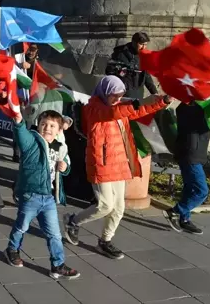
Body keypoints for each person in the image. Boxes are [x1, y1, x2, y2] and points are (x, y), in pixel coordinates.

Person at [63, 76, 170, 259]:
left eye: (120, 95)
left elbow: (138, 110)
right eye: (114, 95)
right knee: (105, 205)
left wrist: (162, 101)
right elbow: (112, 113)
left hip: (119, 162)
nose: (118, 99)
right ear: (105, 92)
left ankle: (105, 241)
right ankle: (73, 221)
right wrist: (138, 102)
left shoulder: (118, 106)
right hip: (101, 162)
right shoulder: (94, 108)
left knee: (119, 207)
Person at [6, 109, 79, 279]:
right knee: (22, 226)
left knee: (54, 234)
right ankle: (12, 249)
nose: (47, 128)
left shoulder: (59, 147)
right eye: (44, 124)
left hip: (48, 198)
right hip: (30, 195)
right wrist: (18, 121)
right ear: (38, 125)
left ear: (59, 130)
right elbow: (21, 133)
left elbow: (66, 163)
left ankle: (57, 265)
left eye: (52, 125)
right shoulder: (31, 141)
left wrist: (65, 167)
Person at [162, 101, 210, 235]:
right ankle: (176, 211)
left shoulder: (197, 107)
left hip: (195, 154)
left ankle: (185, 219)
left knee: (190, 189)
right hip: (190, 156)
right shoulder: (188, 108)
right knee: (201, 191)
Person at [110, 32, 158, 100]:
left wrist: (155, 93)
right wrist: (124, 71)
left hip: (138, 94)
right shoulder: (120, 54)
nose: (143, 47)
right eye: (141, 44)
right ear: (134, 42)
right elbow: (111, 73)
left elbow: (146, 76)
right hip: (123, 94)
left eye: (145, 44)